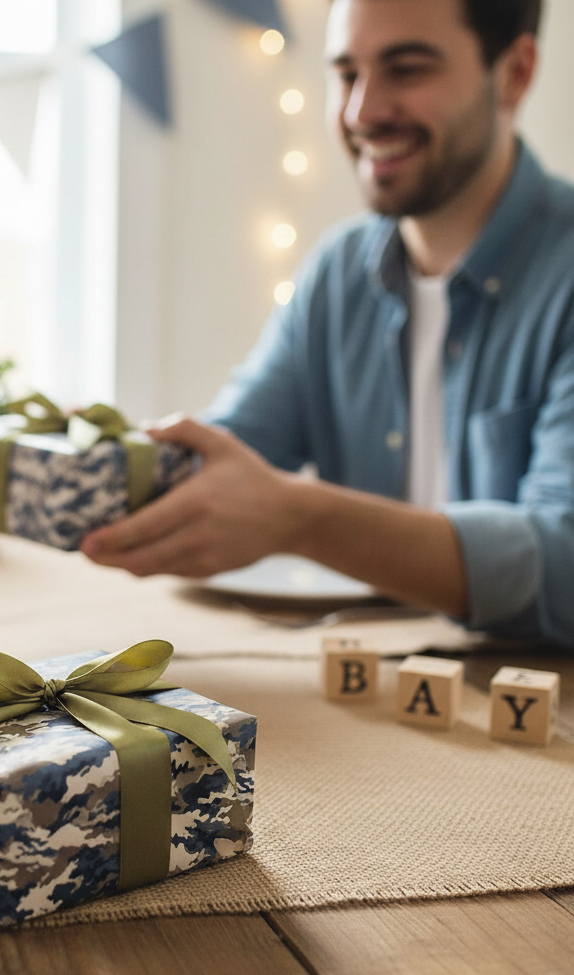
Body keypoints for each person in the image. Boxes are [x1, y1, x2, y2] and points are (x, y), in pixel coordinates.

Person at [82, 0, 574, 647]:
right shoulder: (338, 274)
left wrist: (301, 519)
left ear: (515, 73)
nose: (361, 112)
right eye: (346, 74)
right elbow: (226, 457)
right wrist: (81, 455)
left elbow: (564, 565)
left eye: (407, 69)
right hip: (367, 694)